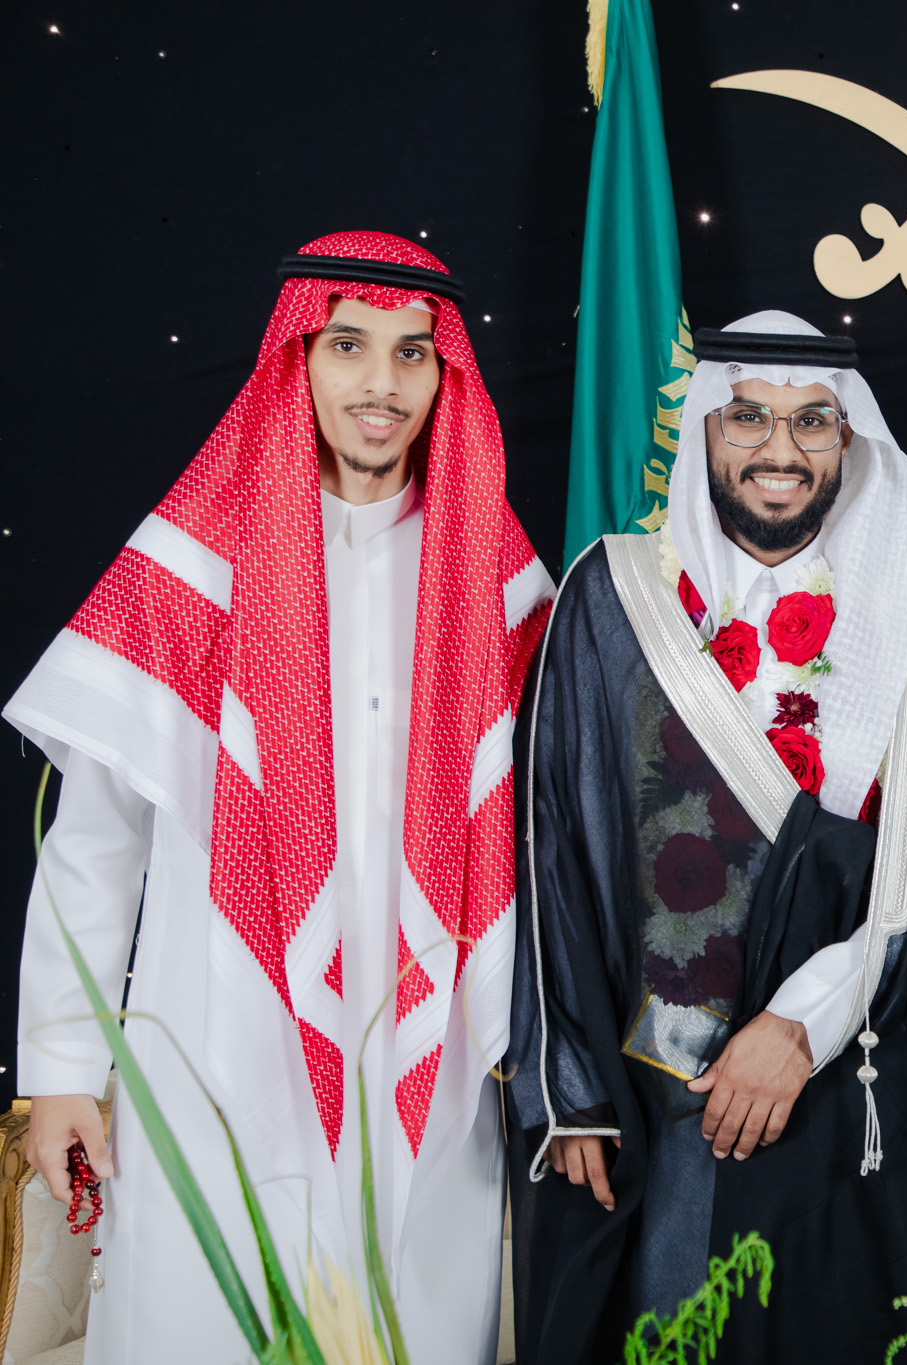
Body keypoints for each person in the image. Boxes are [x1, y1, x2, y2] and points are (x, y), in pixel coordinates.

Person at [7, 233, 552, 1363]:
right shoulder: (190, 567)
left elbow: (554, 844)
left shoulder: (497, 584)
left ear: (445, 375)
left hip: (428, 1059)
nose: (380, 384)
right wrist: (60, 1074)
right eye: (348, 345)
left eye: (412, 353)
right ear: (295, 357)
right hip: (214, 1039)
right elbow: (94, 848)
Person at [506, 311, 907, 1363]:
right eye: (749, 416)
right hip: (665, 1088)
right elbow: (555, 845)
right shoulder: (615, 597)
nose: (780, 448)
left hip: (865, 1067)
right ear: (705, 430)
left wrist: (802, 1025)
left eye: (812, 422)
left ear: (848, 442)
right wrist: (568, 1089)